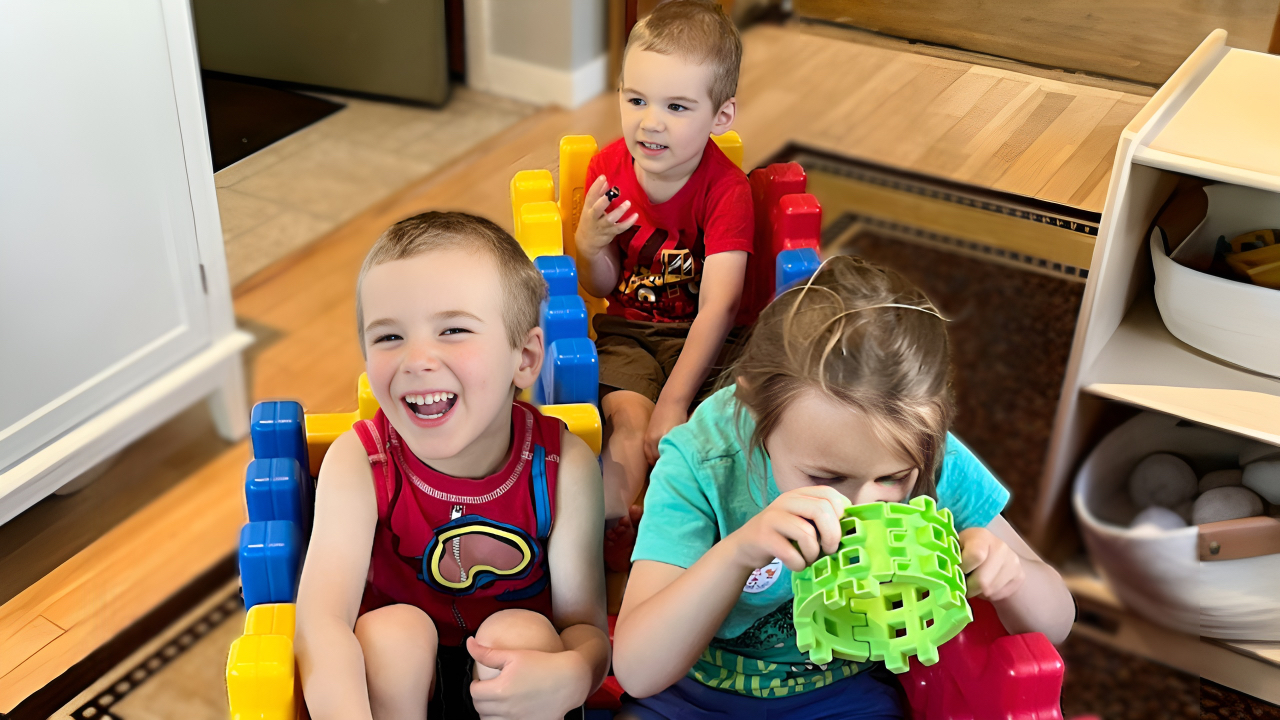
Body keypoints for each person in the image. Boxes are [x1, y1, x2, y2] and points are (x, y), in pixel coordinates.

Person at [611, 256, 1076, 719]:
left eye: (893, 478)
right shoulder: (704, 460)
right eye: (825, 478)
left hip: (840, 693)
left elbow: (1057, 621)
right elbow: (637, 669)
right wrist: (739, 552)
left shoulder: (930, 456)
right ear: (754, 408)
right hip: (694, 691)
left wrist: (1010, 575)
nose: (859, 503)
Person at [295, 212, 610, 720]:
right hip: (395, 689)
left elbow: (585, 629)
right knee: (389, 635)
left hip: (514, 687)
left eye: (453, 329)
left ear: (525, 359)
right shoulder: (361, 462)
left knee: (523, 634)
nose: (418, 359)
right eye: (389, 337)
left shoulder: (561, 465)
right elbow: (321, 624)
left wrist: (576, 673)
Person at [575, 0, 759, 527]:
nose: (650, 123)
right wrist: (590, 246)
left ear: (720, 116)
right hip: (628, 331)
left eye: (677, 107)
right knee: (628, 422)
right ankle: (609, 527)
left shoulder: (727, 190)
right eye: (636, 99)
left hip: (710, 340)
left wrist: (675, 400)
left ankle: (690, 532)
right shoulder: (606, 169)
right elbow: (603, 286)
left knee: (710, 432)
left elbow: (719, 308)